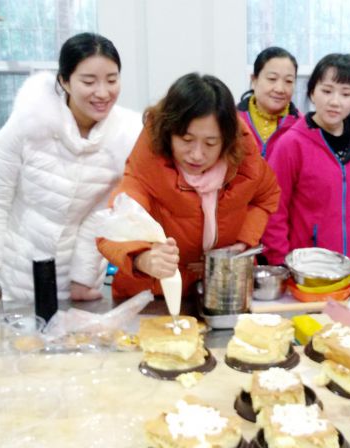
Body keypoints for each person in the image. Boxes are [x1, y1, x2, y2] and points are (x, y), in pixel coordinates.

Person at [0, 33, 141, 313]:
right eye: (88, 82)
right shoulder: (27, 123)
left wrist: (82, 280)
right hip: (11, 275)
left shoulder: (125, 137)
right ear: (64, 81)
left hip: (71, 284)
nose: (102, 92)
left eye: (112, 80)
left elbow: (101, 214)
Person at [96, 73, 281, 299]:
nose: (197, 155)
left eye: (210, 143)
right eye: (186, 140)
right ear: (168, 133)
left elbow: (266, 196)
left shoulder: (244, 162)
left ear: (226, 140)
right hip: (154, 296)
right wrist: (142, 258)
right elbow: (113, 227)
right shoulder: (147, 166)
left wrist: (243, 240)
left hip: (221, 289)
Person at [262, 53, 350, 279]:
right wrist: (281, 264)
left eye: (346, 94)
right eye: (326, 91)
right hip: (308, 272)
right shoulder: (291, 143)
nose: (335, 101)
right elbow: (274, 210)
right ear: (312, 92)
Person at [236, 46, 300, 158]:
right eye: (272, 79)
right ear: (254, 80)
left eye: (288, 81)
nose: (280, 89)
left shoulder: (302, 127)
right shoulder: (231, 120)